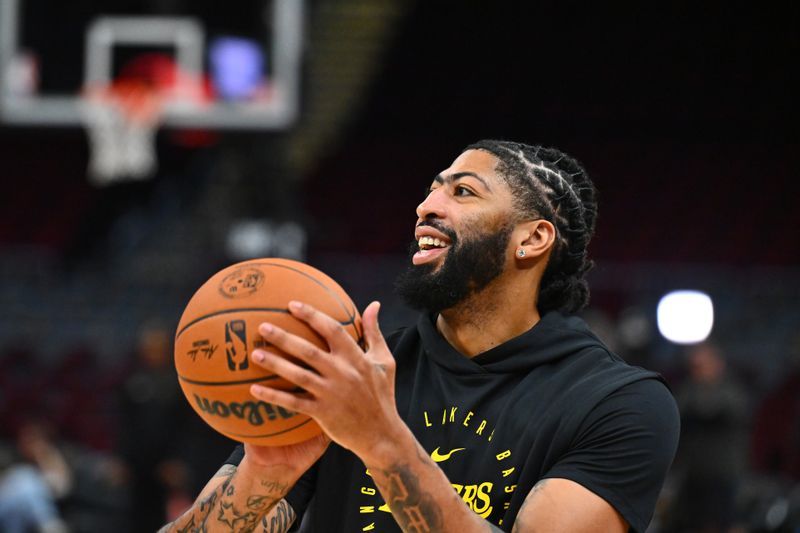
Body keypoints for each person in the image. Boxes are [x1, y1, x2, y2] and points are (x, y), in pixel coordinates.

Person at [159, 140, 680, 532]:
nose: (426, 206)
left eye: (463, 191)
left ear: (533, 238)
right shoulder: (351, 370)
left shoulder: (620, 403)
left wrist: (380, 440)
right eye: (433, 187)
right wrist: (266, 470)